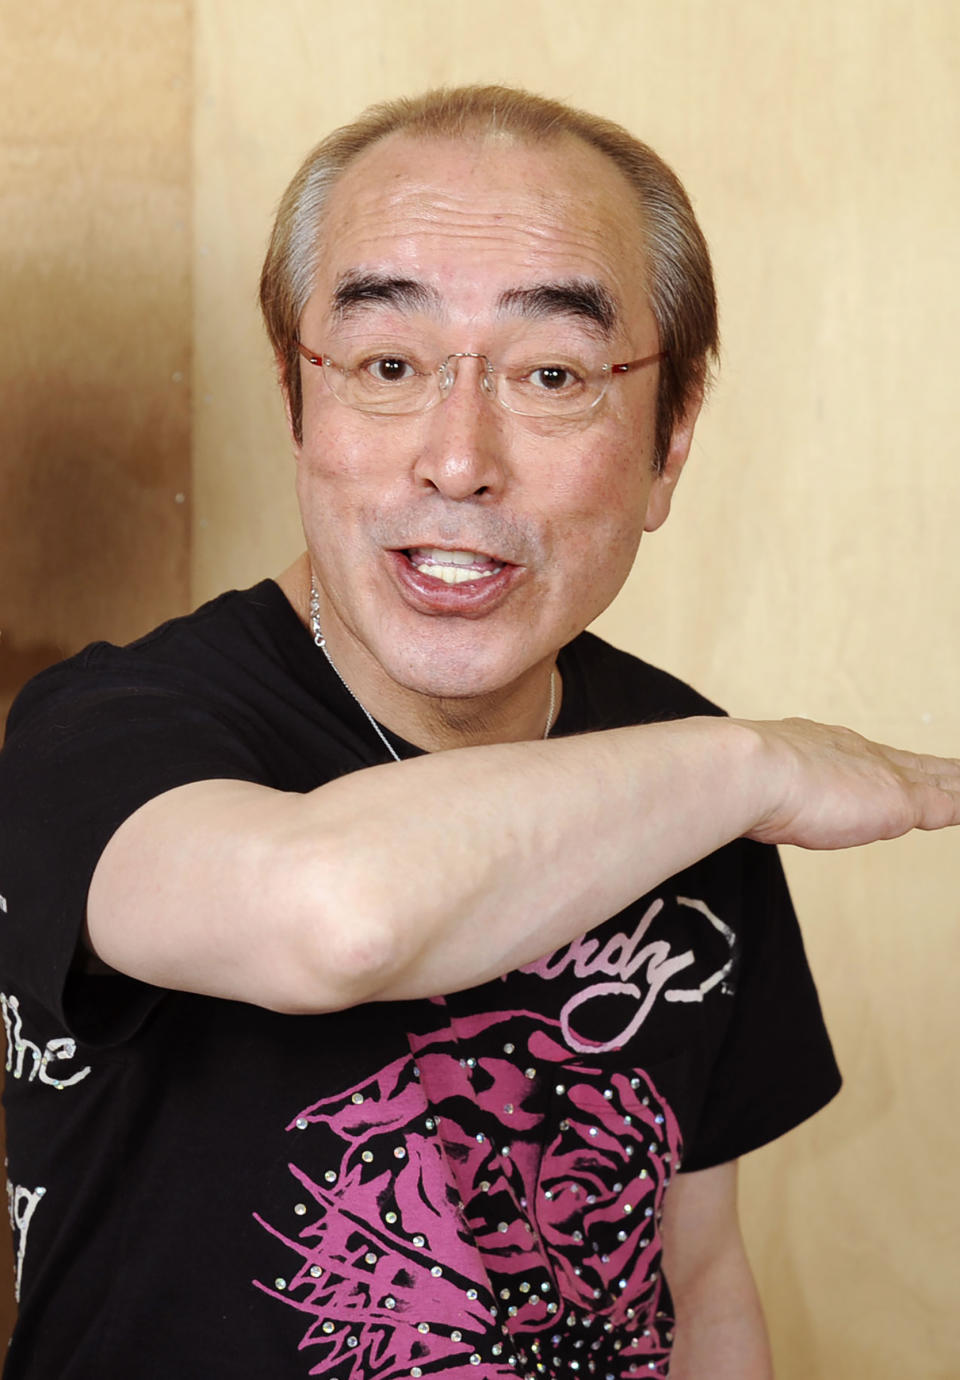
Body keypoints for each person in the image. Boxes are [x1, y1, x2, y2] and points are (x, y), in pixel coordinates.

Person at [0, 85, 957, 1380]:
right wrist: (763, 764)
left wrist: (733, 771)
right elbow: (331, 914)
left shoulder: (682, 759)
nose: (458, 460)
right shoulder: (102, 732)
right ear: (297, 403)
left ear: (670, 443)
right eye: (388, 367)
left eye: (553, 375)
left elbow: (695, 1268)